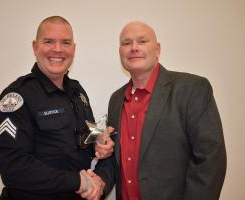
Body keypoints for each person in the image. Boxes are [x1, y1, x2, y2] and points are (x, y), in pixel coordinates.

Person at [94, 21, 227, 200]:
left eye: (142, 41)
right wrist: (100, 177)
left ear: (157, 49)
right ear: (120, 52)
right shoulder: (116, 100)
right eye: (126, 43)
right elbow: (115, 160)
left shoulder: (192, 89)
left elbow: (210, 161)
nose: (134, 48)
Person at [0, 16, 108, 200]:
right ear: (35, 47)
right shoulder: (17, 97)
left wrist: (101, 143)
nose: (58, 49)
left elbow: (88, 135)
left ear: (74, 49)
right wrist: (78, 182)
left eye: (66, 42)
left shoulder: (78, 92)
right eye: (49, 41)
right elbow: (14, 168)